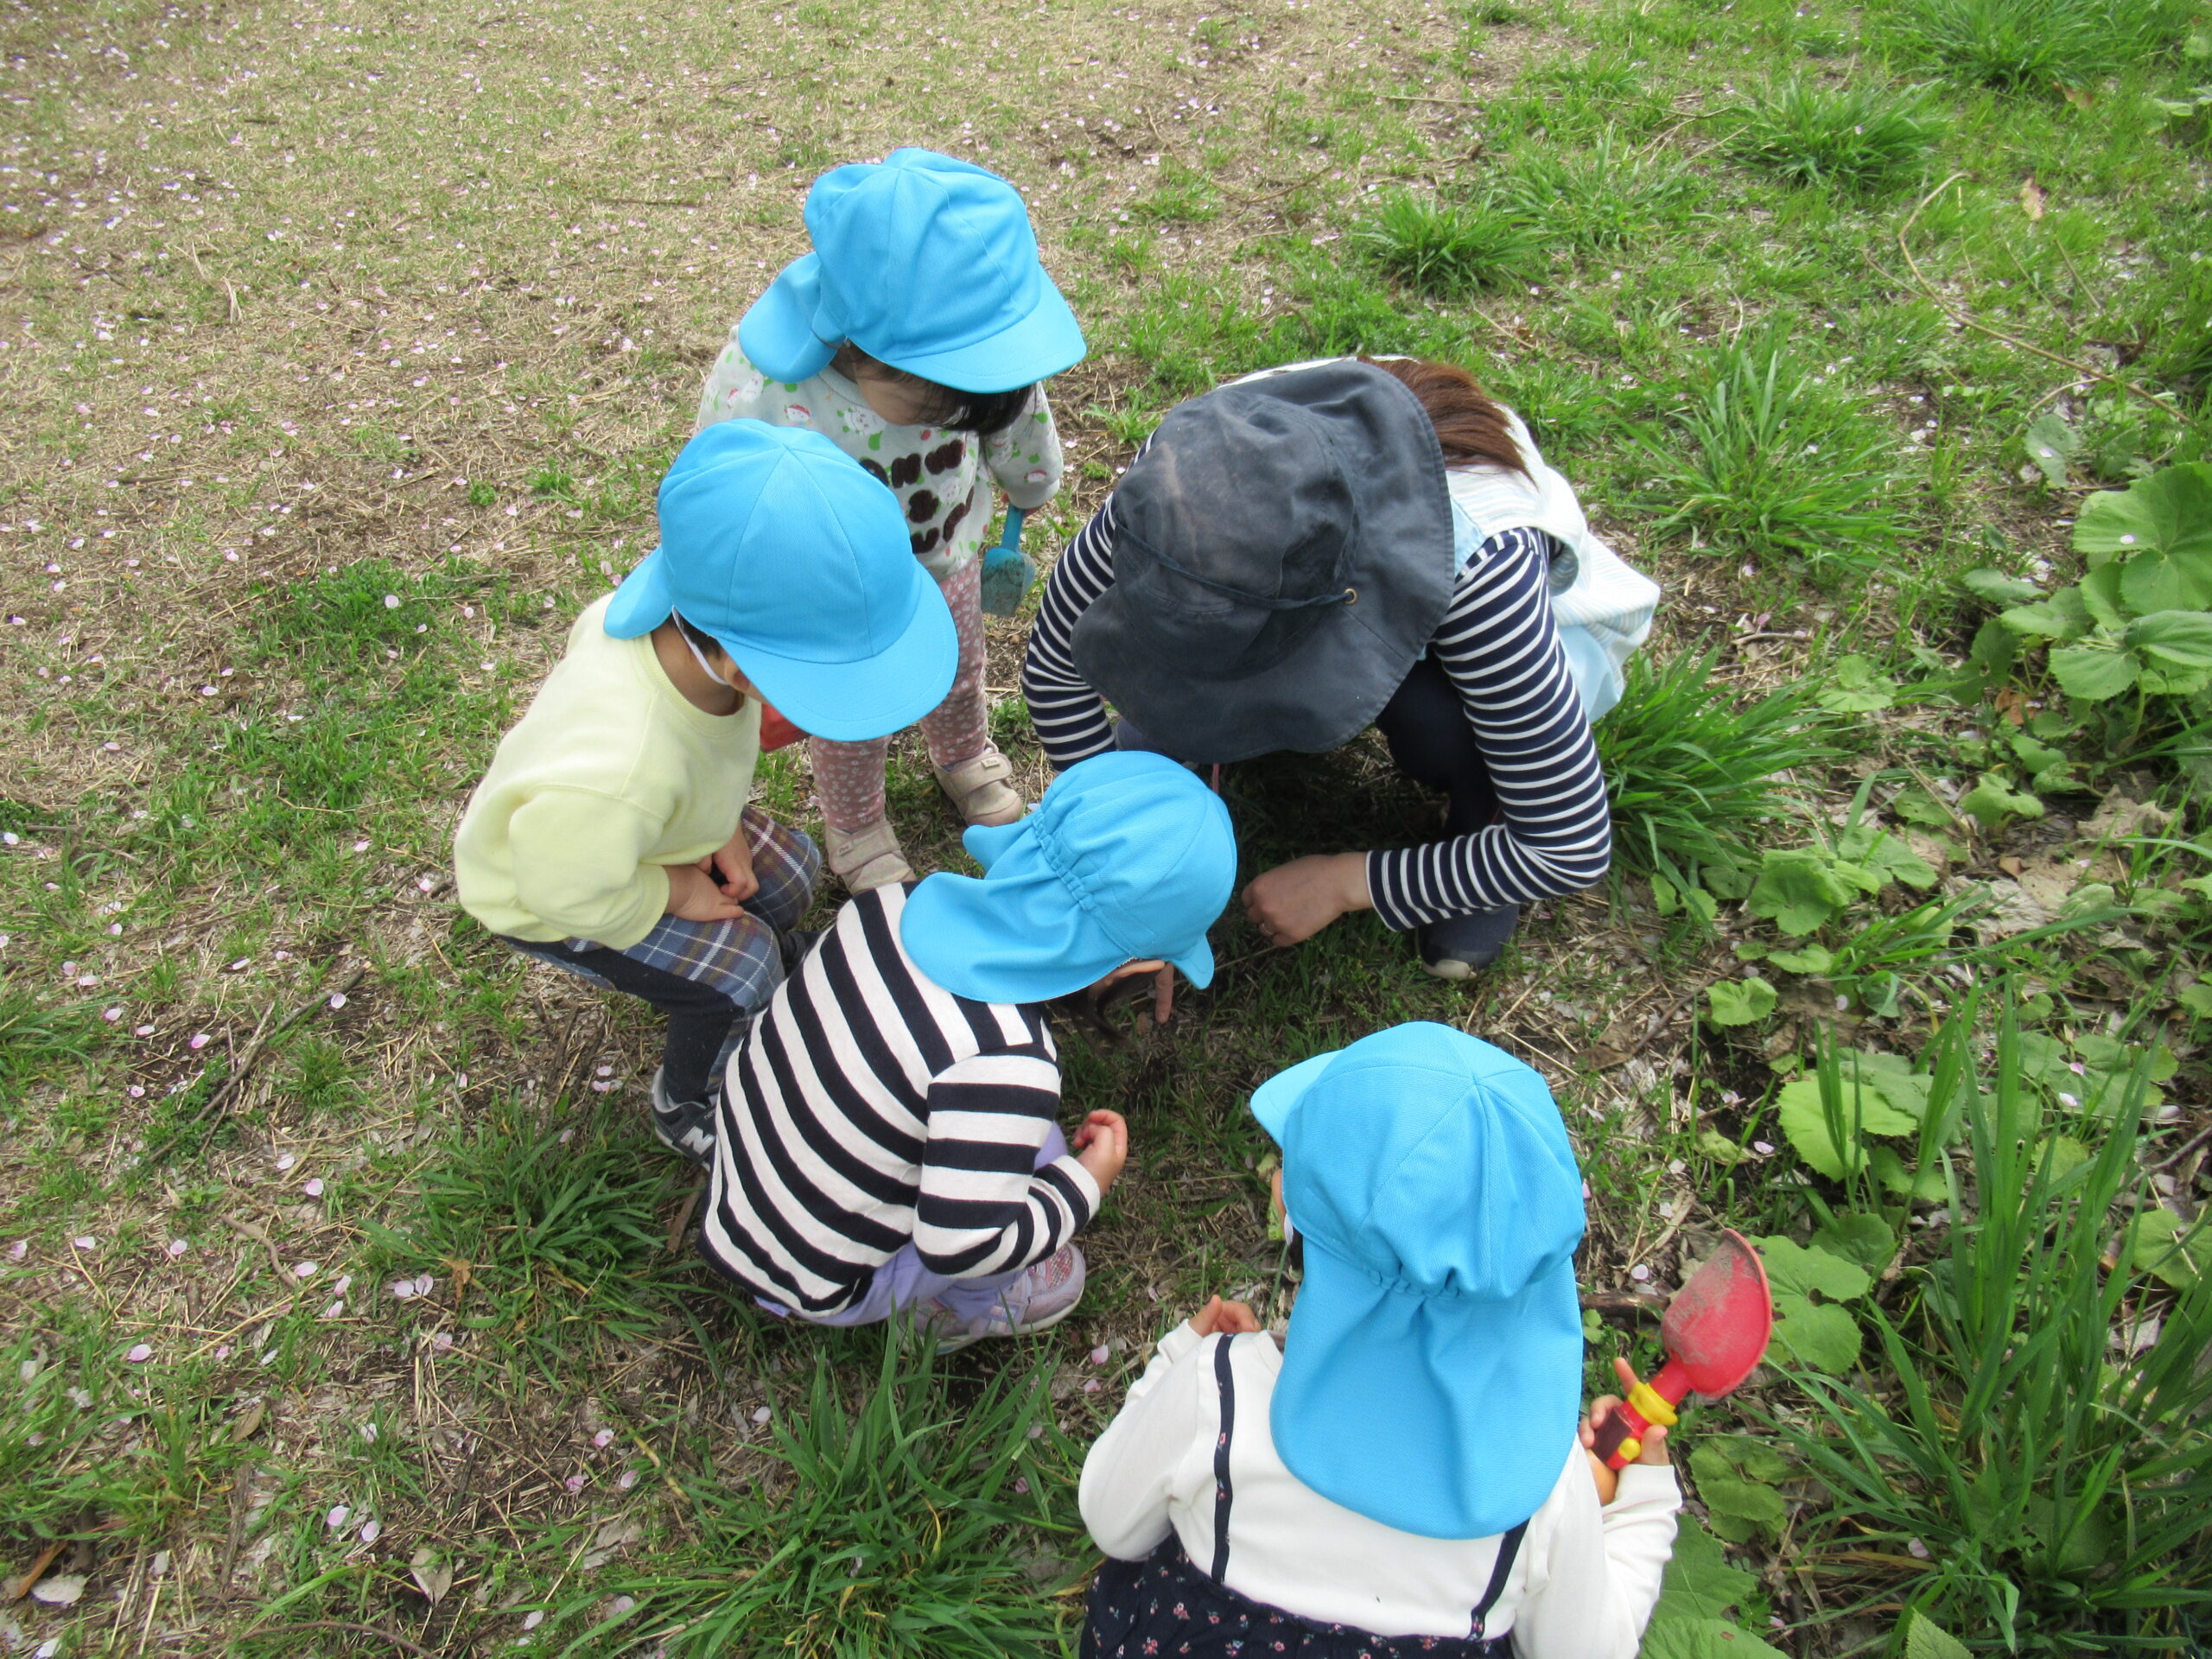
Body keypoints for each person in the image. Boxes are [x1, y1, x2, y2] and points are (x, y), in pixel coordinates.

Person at [1020, 356, 1659, 980]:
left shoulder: (1481, 572)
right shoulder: (1175, 486)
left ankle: (1480, 811)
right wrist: (1116, 845)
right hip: (1313, 569)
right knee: (1181, 673)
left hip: (1479, 625)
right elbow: (1053, 664)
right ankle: (1198, 719)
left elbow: (1567, 846)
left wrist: (1347, 881)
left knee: (1446, 728)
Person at [1077, 1021, 1681, 1658]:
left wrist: (1180, 1357)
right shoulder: (1541, 1478)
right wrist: (1642, 1502)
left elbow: (1111, 1522)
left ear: (1293, 1218)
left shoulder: (1220, 1388)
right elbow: (1590, 1652)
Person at [454, 420, 957, 1160]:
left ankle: (773, 999)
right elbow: (561, 884)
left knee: (792, 875)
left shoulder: (692, 628)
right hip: (555, 888)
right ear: (741, 663)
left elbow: (701, 753)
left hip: (644, 828)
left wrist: (716, 822)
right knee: (740, 967)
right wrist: (679, 892)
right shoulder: (618, 770)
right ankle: (693, 1099)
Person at [695, 752, 1236, 1349]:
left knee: (1021, 1142)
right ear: (1141, 967)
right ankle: (965, 1313)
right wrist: (1085, 1184)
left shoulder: (889, 905)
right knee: (1039, 1161)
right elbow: (965, 1247)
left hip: (741, 1186)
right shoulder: (1004, 1063)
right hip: (810, 1274)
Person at [697, 146, 1082, 893]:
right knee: (853, 721)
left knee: (962, 670)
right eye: (946, 407)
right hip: (841, 597)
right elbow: (726, 481)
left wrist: (1030, 479)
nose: (965, 417)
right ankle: (855, 820)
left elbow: (1016, 422)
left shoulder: (972, 366)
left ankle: (962, 752)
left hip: (948, 555)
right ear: (854, 344)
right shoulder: (772, 388)